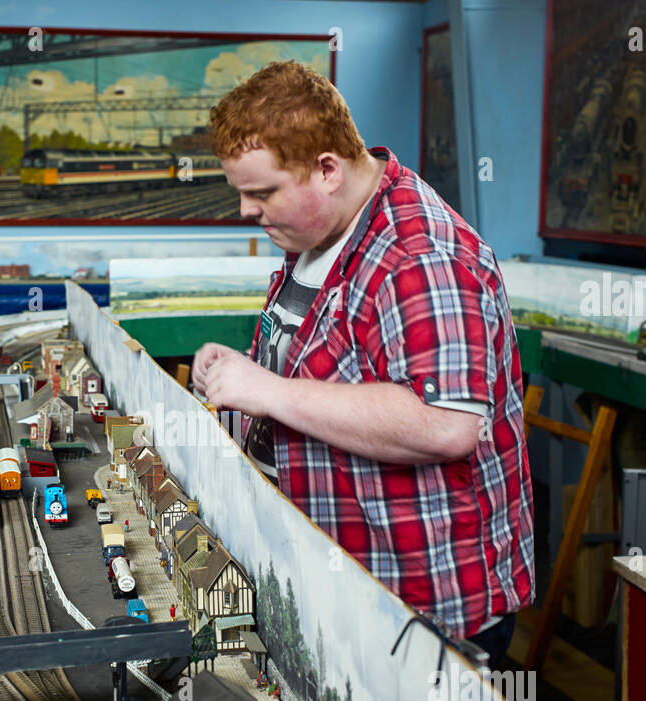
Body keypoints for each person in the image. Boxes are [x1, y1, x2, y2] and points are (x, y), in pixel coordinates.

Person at [192, 61, 533, 663]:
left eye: (262, 191)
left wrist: (267, 390)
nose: (246, 210)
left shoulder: (419, 257)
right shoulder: (324, 233)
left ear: (327, 169)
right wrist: (245, 370)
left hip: (417, 613)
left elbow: (447, 423)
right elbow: (328, 368)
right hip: (343, 586)